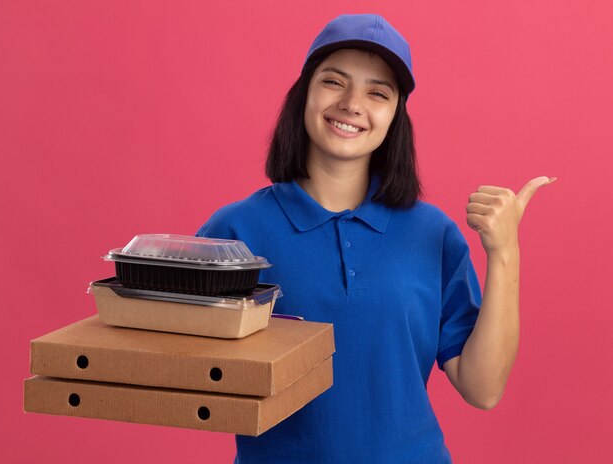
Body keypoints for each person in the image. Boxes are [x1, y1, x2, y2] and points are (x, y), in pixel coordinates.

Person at [197, 13, 555, 464]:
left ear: (394, 116)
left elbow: (482, 388)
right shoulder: (235, 234)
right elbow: (191, 372)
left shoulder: (432, 234)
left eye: (377, 92)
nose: (352, 103)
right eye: (333, 81)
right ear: (304, 93)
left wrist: (505, 253)